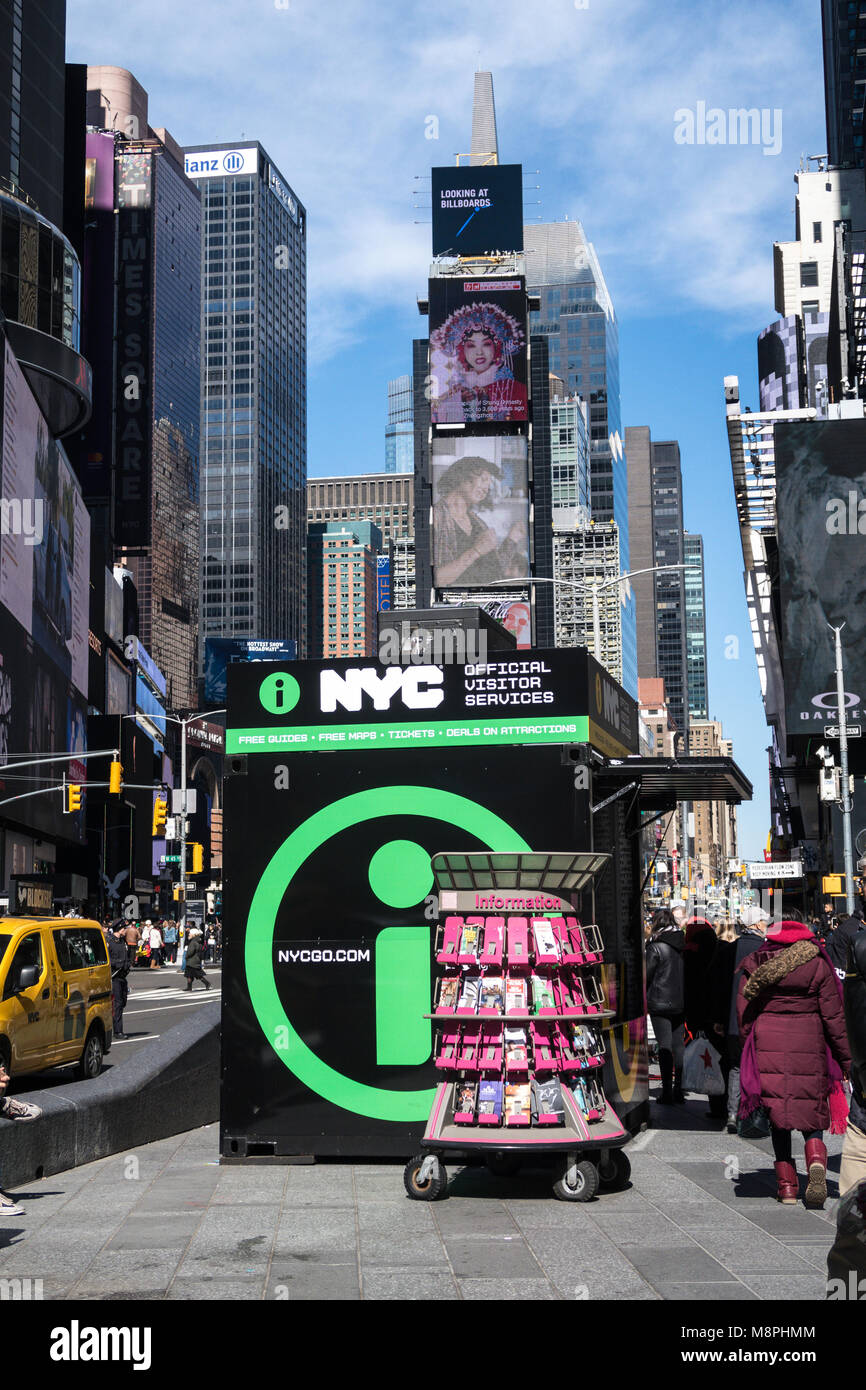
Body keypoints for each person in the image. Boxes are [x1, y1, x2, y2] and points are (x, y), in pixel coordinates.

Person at [738, 909, 851, 1207]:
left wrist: (749, 1038)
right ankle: (815, 1162)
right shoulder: (817, 962)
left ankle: (787, 1188)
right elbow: (834, 1016)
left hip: (768, 1042)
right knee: (810, 1110)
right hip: (809, 1042)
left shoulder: (756, 962)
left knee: (778, 1116)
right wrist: (847, 1060)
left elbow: (744, 1011)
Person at [708, 905, 772, 1133]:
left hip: (732, 1021)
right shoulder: (766, 950)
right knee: (760, 1067)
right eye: (764, 922)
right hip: (759, 1021)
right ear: (755, 925)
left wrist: (717, 1018)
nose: (767, 926)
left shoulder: (727, 950)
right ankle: (756, 1113)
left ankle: (733, 1114)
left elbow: (716, 987)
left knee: (735, 1066)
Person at [432, 456, 527, 588]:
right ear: (462, 477)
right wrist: (476, 551)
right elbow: (437, 579)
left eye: (488, 485)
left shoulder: (478, 522)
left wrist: (512, 539)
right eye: (483, 480)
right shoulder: (436, 517)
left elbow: (493, 570)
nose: (485, 489)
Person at [429, 299, 527, 424]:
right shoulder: (453, 390)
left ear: (496, 347)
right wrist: (459, 400)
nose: (479, 352)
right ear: (461, 349)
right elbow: (437, 419)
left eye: (486, 344)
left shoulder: (515, 389)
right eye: (471, 345)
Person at [645, 908, 686, 1105]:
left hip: (660, 1002)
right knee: (679, 1046)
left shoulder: (656, 946)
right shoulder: (683, 944)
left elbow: (646, 976)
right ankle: (679, 1089)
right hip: (680, 1001)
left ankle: (667, 1092)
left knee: (665, 1046)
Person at [839, 926, 866, 1197]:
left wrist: (855, 1063)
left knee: (860, 1143)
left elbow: (853, 1013)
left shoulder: (858, 945)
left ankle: (854, 1228)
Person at [107, 922, 130, 1039]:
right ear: (119, 929)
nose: (125, 930)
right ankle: (117, 1031)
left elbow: (126, 956)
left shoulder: (122, 941)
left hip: (122, 976)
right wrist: (118, 964)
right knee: (117, 1004)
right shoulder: (110, 942)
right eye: (124, 928)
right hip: (114, 976)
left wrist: (127, 964)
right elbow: (107, 959)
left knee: (123, 1002)